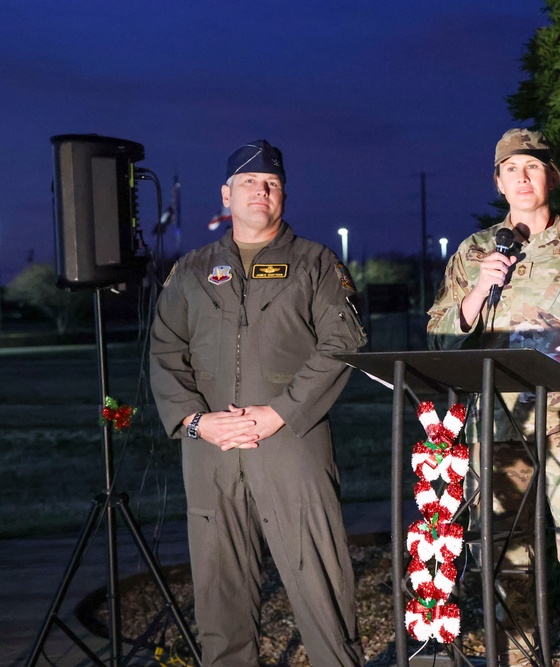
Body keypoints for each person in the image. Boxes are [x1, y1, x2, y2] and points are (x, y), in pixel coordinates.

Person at [149, 139, 367, 666]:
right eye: (248, 182)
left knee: (318, 580)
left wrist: (281, 411)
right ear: (226, 194)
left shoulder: (315, 262)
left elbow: (343, 344)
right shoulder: (192, 270)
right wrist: (196, 422)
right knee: (219, 585)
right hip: (211, 448)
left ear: (283, 195)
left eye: (270, 183)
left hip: (292, 441)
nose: (260, 191)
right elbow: (164, 348)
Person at [428, 128, 560, 667]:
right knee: (507, 561)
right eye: (511, 169)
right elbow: (438, 338)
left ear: (552, 176)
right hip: (498, 434)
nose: (522, 177)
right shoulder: (475, 252)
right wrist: (477, 290)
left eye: (533, 167)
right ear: (497, 182)